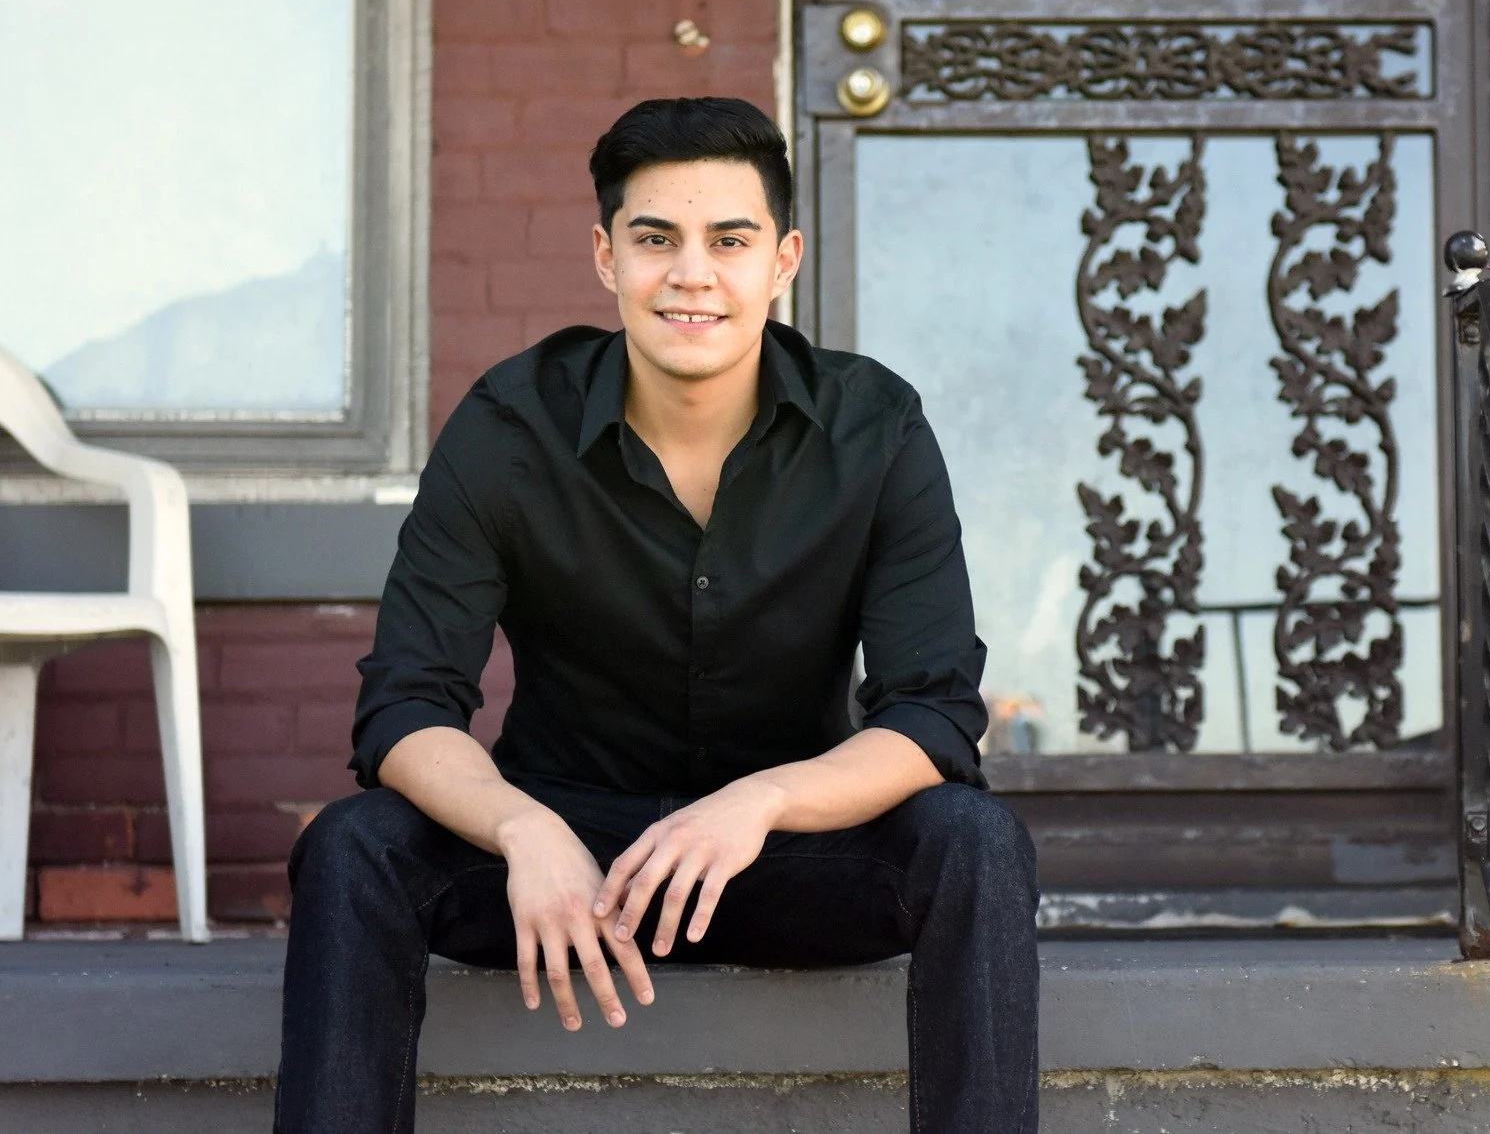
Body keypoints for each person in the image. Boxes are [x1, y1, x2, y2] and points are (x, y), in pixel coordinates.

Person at [273, 96, 1040, 1133]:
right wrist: (520, 827)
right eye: (654, 239)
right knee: (355, 845)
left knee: (973, 840)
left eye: (729, 240)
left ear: (783, 260)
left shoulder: (876, 427)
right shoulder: (511, 426)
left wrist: (757, 803)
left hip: (783, 858)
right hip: (561, 861)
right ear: (605, 258)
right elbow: (406, 706)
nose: (691, 274)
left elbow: (933, 716)